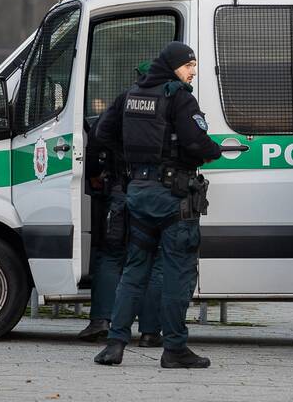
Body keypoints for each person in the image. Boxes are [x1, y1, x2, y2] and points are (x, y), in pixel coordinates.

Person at [92, 42, 222, 369]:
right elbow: (195, 142)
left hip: (138, 192)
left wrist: (131, 157)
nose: (193, 71)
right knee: (179, 271)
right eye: (188, 65)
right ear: (173, 66)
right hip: (172, 198)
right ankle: (174, 348)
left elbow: (101, 131)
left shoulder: (130, 94)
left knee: (134, 270)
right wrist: (213, 151)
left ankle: (115, 344)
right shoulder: (178, 97)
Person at [79, 60, 163, 346]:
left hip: (120, 190)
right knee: (151, 260)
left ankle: (101, 320)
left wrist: (104, 167)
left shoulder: (124, 100)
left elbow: (98, 136)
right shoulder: (172, 101)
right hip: (155, 192)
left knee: (110, 254)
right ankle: (150, 331)